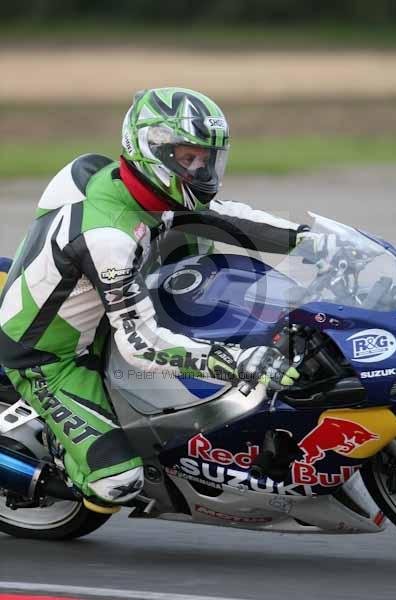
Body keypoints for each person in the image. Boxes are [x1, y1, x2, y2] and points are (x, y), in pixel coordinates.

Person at [0, 87, 307, 512]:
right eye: (188, 158)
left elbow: (220, 213)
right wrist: (237, 362)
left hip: (104, 306)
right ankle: (64, 466)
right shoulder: (109, 237)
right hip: (50, 356)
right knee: (118, 484)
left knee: (194, 231)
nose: (201, 170)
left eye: (207, 158)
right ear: (151, 151)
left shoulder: (122, 180)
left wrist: (309, 240)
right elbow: (141, 345)